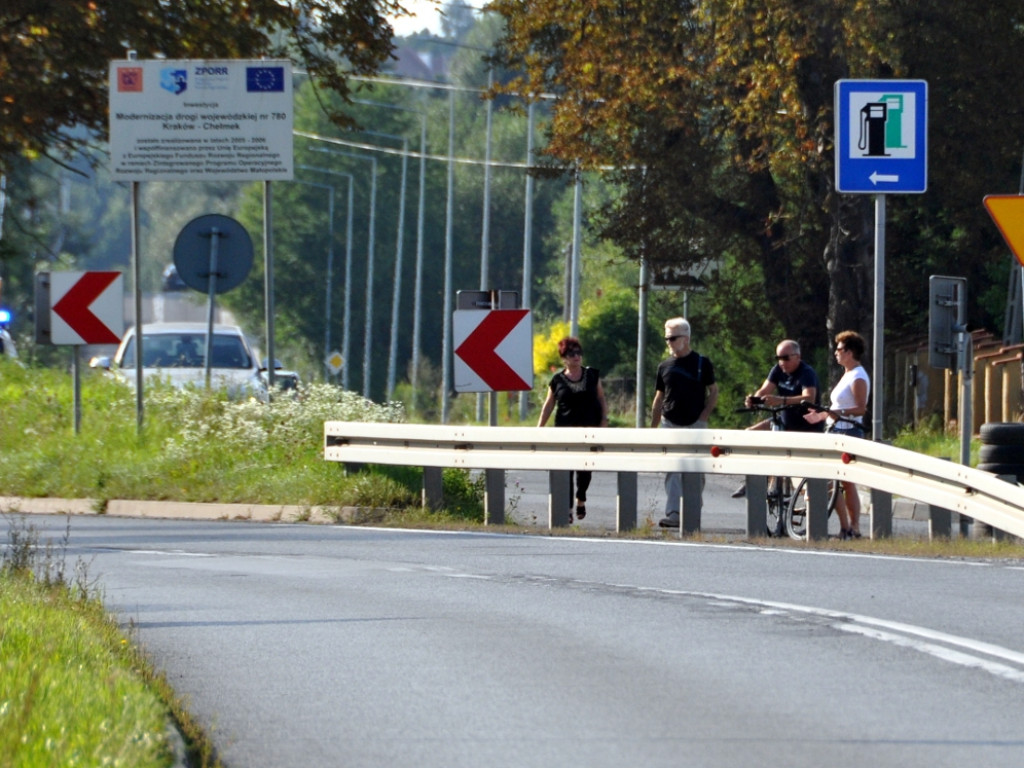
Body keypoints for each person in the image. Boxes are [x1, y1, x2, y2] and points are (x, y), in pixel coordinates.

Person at [650, 317, 718, 528]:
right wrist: (653, 428)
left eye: (672, 338)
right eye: (667, 338)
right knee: (673, 469)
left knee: (696, 470)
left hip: (695, 424)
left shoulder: (701, 363)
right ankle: (673, 513)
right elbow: (659, 397)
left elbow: (713, 390)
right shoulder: (664, 366)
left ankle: (692, 510)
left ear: (685, 339)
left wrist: (704, 417)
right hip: (670, 423)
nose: (669, 342)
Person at [733, 339, 823, 498]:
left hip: (806, 427)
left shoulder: (806, 372)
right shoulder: (777, 370)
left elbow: (809, 397)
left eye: (786, 358)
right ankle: (754, 479)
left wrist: (781, 400)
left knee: (796, 468)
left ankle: (775, 479)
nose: (782, 362)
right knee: (749, 434)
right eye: (779, 358)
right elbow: (764, 390)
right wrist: (754, 400)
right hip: (783, 421)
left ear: (797, 357)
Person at [806, 330, 870, 539]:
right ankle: (845, 526)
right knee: (830, 482)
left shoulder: (859, 376)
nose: (836, 353)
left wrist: (835, 413)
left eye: (840, 349)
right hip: (835, 430)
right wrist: (823, 414)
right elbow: (839, 405)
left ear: (850, 352)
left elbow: (860, 409)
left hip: (850, 431)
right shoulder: (847, 374)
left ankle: (855, 526)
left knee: (847, 483)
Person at [537, 336, 609, 521]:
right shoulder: (557, 380)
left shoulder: (592, 375)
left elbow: (601, 399)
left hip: (589, 430)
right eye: (571, 354)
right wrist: (539, 428)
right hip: (565, 431)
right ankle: (568, 508)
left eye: (578, 353)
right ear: (564, 358)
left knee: (586, 469)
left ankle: (581, 498)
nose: (576, 357)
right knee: (566, 470)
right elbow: (548, 405)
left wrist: (604, 421)